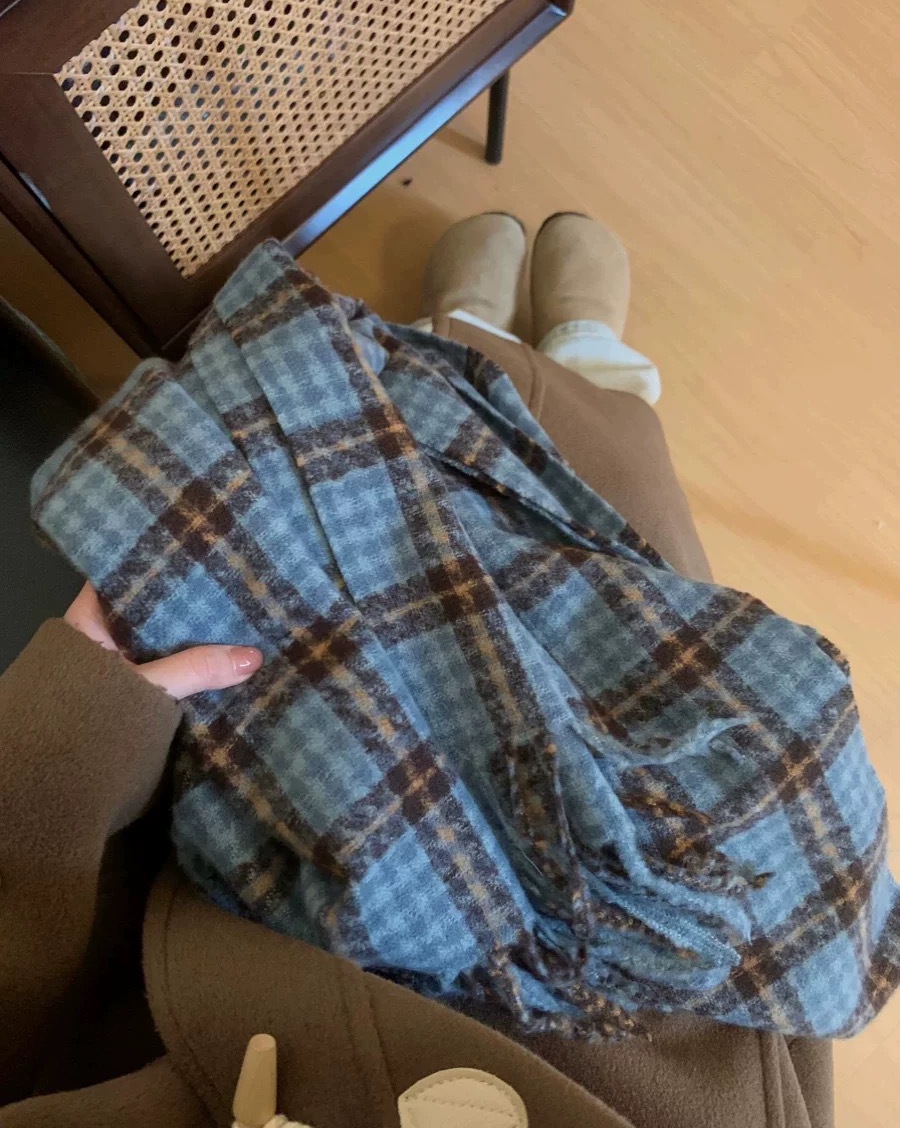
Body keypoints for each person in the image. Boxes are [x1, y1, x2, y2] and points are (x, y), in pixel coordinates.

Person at [0, 214, 832, 1127]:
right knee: (621, 534)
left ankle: (477, 333)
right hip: (657, 984)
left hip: (243, 907)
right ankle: (571, 358)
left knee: (478, 473)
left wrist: (60, 769)